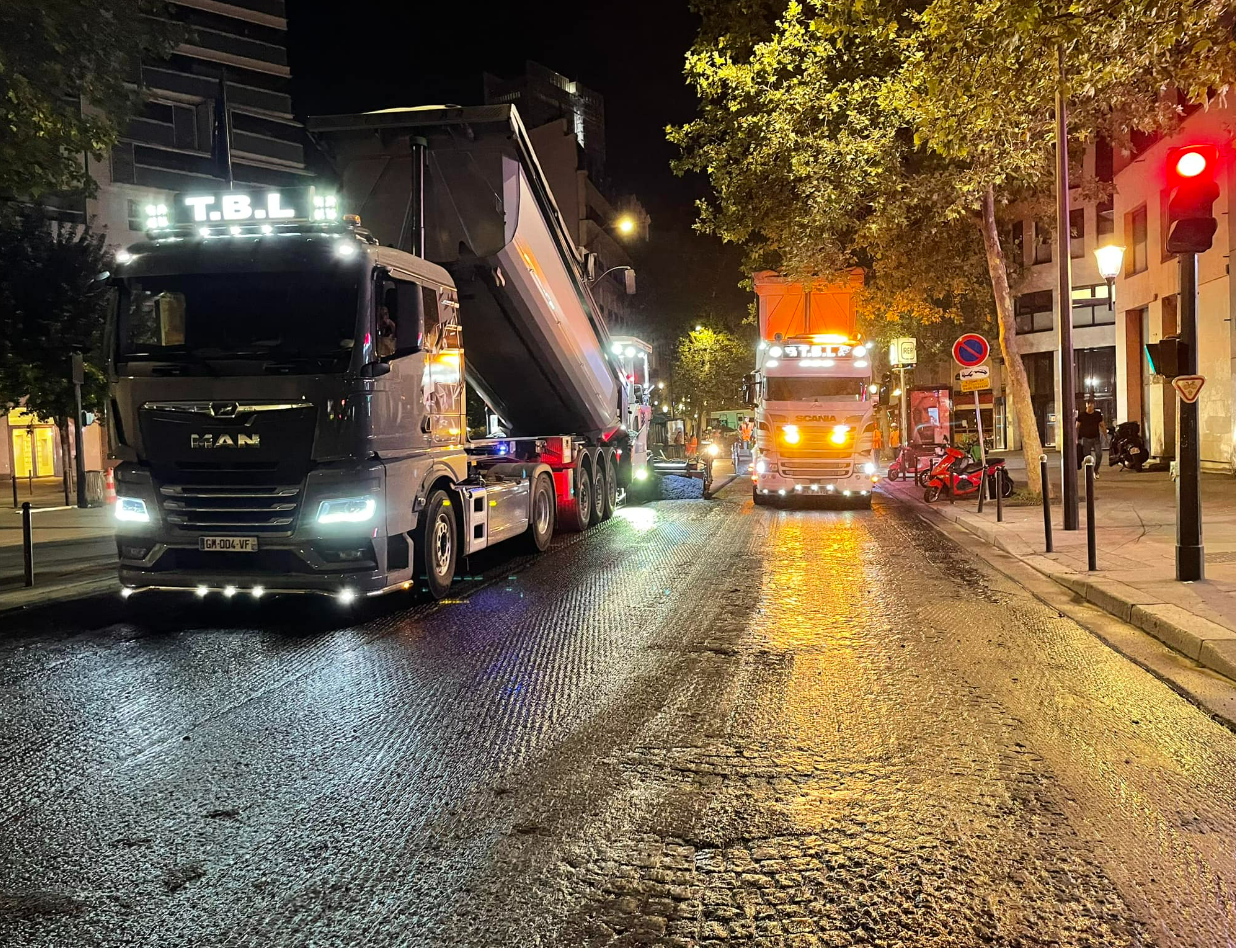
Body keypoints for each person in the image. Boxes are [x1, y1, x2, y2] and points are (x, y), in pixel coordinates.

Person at [1076, 394, 1106, 475]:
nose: (1090, 405)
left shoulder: (1097, 415)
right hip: (1085, 438)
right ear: (1086, 405)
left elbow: (1102, 425)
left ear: (1093, 405)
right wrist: (1076, 438)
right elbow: (1077, 427)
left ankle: (1096, 470)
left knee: (1099, 454)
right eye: (1088, 403)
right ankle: (1089, 471)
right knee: (1087, 456)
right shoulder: (1082, 415)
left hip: (1096, 438)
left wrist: (1105, 435)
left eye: (1091, 404)